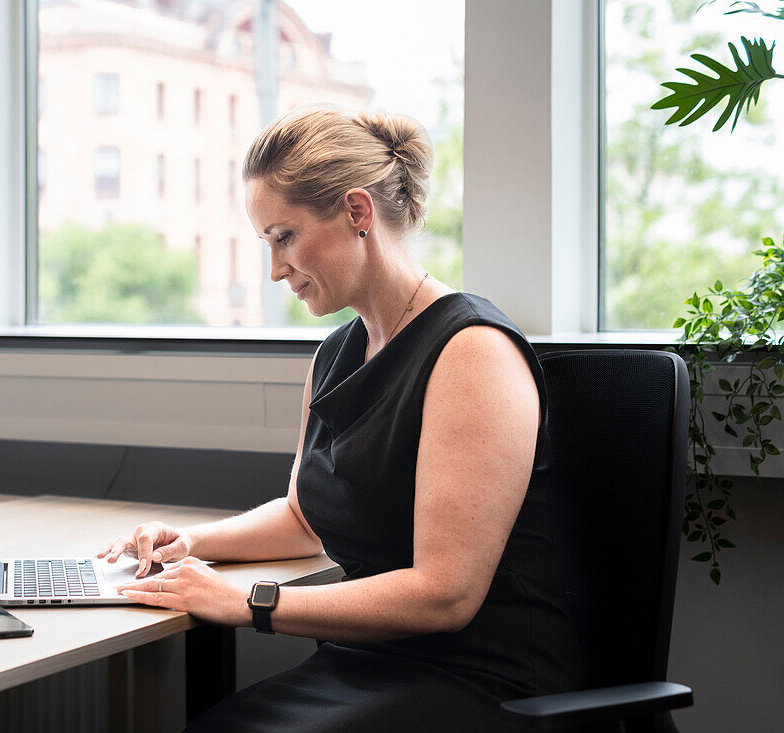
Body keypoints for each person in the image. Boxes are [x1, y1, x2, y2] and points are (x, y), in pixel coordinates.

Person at [97, 103, 582, 731]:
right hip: (366, 666)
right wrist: (192, 543)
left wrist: (251, 601)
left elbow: (447, 593)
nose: (275, 269)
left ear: (357, 212)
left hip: (481, 682)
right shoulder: (337, 354)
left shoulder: (473, 351)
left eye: (284, 237)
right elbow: (305, 516)